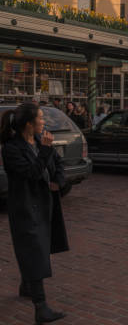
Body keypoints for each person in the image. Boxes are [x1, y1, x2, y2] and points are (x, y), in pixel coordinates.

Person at [0, 102, 69, 323]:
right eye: (40, 118)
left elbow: (57, 163)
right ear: (29, 124)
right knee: (35, 251)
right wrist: (47, 151)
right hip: (25, 208)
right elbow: (31, 173)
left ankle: (26, 285)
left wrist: (59, 180)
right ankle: (40, 307)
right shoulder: (11, 148)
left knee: (37, 247)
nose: (43, 121)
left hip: (44, 203)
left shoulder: (40, 140)